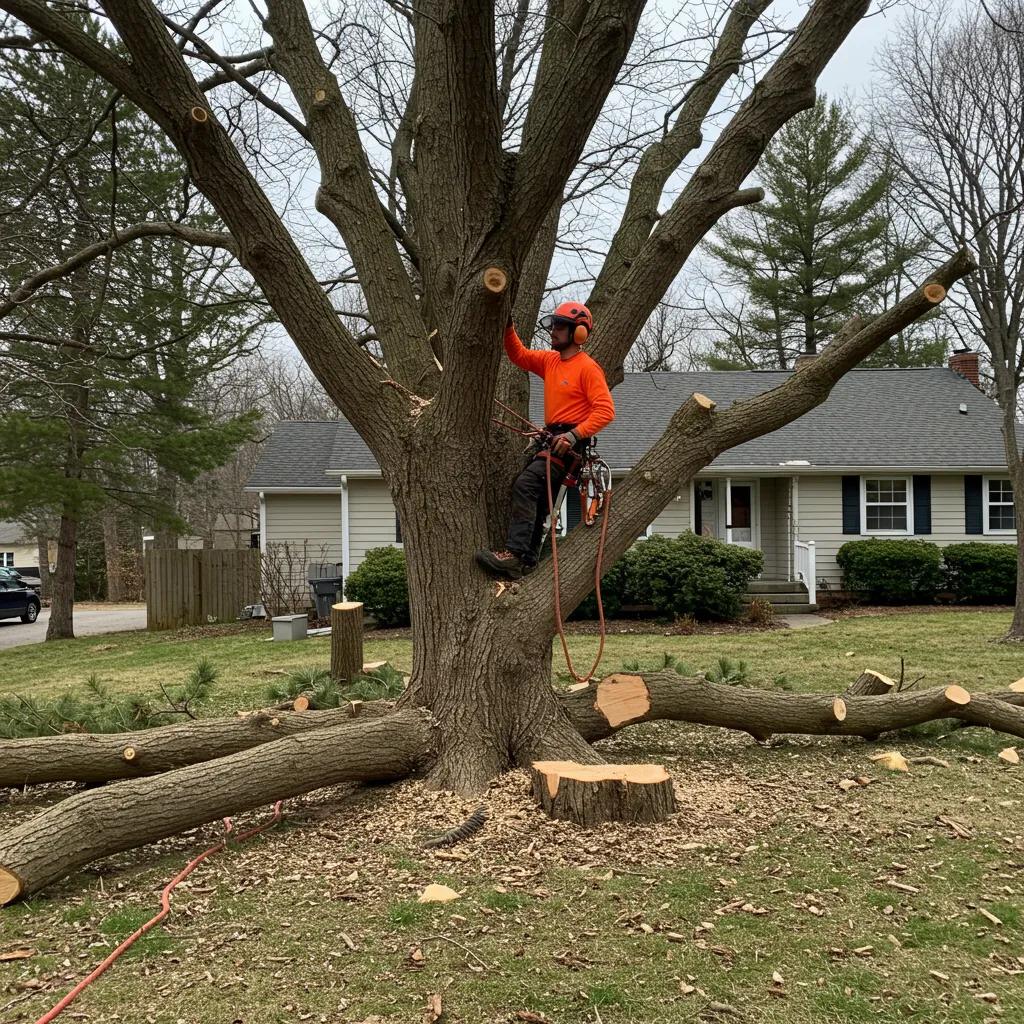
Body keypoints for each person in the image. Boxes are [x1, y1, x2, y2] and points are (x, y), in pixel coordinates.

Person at [476, 301, 615, 580]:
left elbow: (606, 410)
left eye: (560, 326)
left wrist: (574, 434)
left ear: (579, 333)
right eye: (553, 325)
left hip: (570, 444)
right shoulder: (550, 361)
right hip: (552, 438)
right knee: (538, 500)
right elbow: (519, 355)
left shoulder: (587, 368)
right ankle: (526, 561)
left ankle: (514, 555)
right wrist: (507, 325)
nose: (553, 331)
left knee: (526, 485)